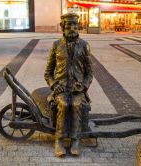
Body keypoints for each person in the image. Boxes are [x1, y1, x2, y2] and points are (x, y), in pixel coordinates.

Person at [44, 13, 93, 157]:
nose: (72, 28)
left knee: (77, 104)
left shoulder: (85, 46)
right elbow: (47, 72)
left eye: (75, 25)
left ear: (78, 27)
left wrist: (83, 86)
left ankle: (75, 140)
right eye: (68, 25)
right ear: (62, 27)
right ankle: (59, 140)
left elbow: (90, 73)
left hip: (77, 89)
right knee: (64, 105)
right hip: (61, 88)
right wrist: (53, 85)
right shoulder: (56, 45)